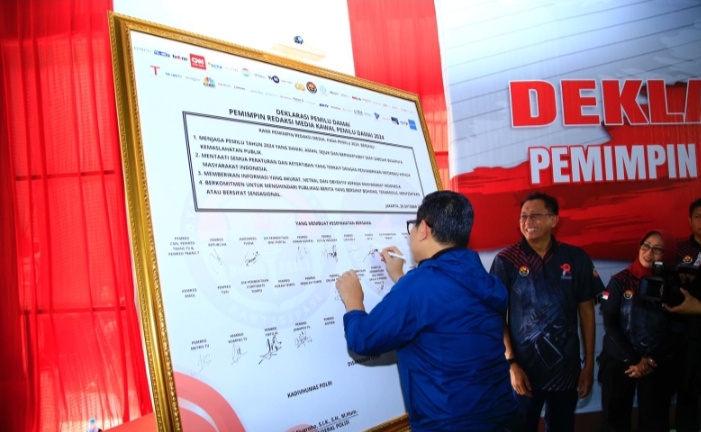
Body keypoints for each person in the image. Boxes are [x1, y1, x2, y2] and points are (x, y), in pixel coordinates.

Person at [336, 191, 518, 432]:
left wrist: (354, 302)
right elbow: (443, 306)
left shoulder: (420, 286)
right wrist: (400, 277)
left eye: (412, 226)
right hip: (501, 417)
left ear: (423, 229)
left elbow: (363, 339)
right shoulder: (483, 278)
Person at [489, 192, 603, 432]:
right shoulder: (506, 260)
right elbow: (496, 315)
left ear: (554, 220)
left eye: (535, 215)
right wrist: (511, 363)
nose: (528, 221)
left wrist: (588, 365)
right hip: (524, 372)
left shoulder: (576, 257)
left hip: (566, 371)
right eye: (523, 216)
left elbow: (586, 312)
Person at [598, 230, 685, 432]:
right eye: (645, 246)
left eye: (657, 249)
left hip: (657, 363)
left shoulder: (673, 285)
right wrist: (636, 360)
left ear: (667, 254)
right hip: (620, 360)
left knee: (655, 421)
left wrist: (651, 360)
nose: (649, 252)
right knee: (614, 422)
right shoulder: (620, 280)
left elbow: (676, 327)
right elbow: (610, 323)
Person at [668, 197, 701, 432]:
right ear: (689, 221)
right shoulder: (678, 252)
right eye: (698, 217)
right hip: (684, 335)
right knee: (686, 390)